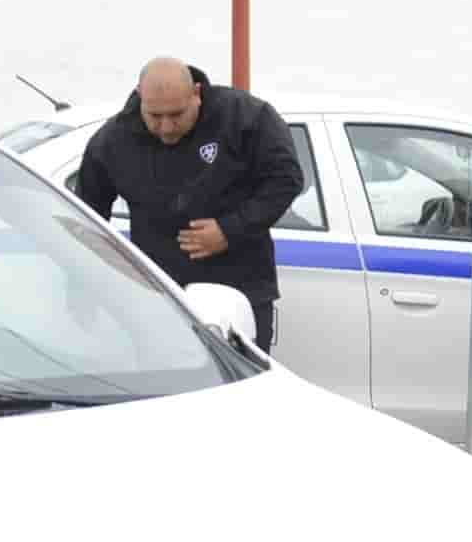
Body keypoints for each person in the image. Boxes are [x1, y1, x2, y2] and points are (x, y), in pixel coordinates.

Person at [73, 56, 304, 349]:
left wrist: (230, 230)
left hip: (240, 292)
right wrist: (91, 289)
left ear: (196, 94)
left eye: (176, 114)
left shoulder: (245, 117)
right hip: (158, 299)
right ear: (141, 97)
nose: (166, 127)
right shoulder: (113, 141)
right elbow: (85, 218)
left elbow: (286, 179)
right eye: (155, 116)